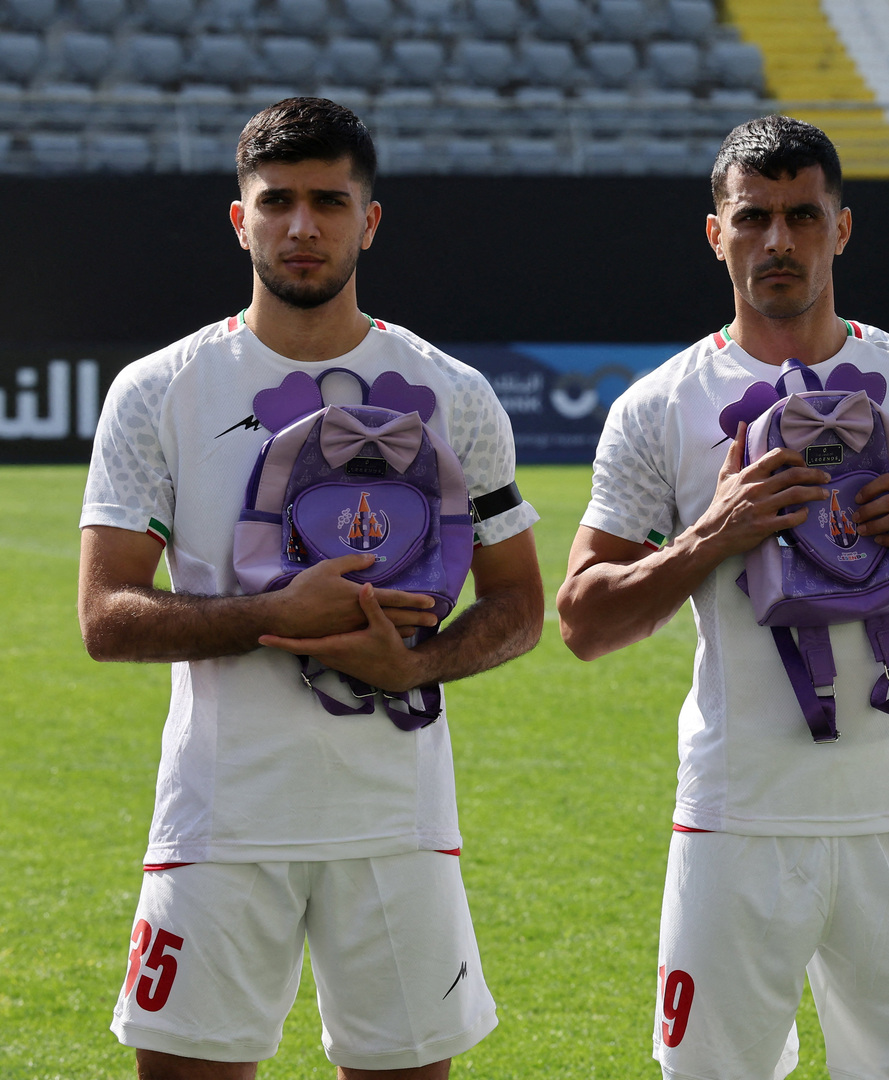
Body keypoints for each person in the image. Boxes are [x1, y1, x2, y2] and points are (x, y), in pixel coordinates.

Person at [78, 98, 544, 1079]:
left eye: (328, 201)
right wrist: (269, 618)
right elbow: (105, 616)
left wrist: (410, 660)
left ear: (366, 221)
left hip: (394, 823)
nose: (301, 226)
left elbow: (517, 606)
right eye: (276, 201)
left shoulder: (449, 390)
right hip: (219, 817)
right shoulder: (160, 389)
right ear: (239, 218)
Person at [557, 115, 889, 1080]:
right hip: (736, 807)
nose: (779, 242)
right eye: (754, 217)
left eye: (803, 217)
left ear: (841, 230)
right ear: (715, 233)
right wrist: (711, 536)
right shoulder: (660, 404)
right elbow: (585, 618)